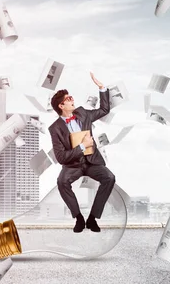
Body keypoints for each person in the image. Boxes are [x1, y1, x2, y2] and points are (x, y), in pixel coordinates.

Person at [48, 72, 115, 233]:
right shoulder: (55, 128)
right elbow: (61, 157)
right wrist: (82, 146)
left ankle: (92, 218)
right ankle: (78, 217)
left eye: (71, 97)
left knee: (109, 178)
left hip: (92, 161)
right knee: (62, 182)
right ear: (61, 106)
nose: (72, 100)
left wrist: (102, 88)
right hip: (73, 165)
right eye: (68, 99)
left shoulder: (83, 113)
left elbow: (104, 109)